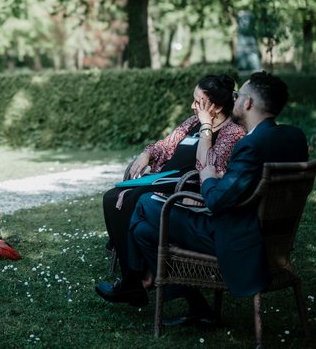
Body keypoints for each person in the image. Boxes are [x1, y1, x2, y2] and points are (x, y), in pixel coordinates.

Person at [114, 72, 309, 327]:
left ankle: (140, 283)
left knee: (146, 204)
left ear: (248, 104)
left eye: (239, 97)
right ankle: (194, 306)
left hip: (236, 237)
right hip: (271, 238)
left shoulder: (249, 145)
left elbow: (217, 200)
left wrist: (207, 177)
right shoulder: (293, 137)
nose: (234, 100)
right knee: (143, 231)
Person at [96, 74, 246, 302]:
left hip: (184, 189)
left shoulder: (231, 133)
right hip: (161, 180)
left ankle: (133, 281)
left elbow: (207, 166)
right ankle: (135, 278)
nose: (192, 106)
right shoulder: (191, 122)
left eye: (198, 102)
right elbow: (167, 144)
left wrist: (206, 126)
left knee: (132, 198)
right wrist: (147, 154)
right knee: (111, 197)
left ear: (214, 106)